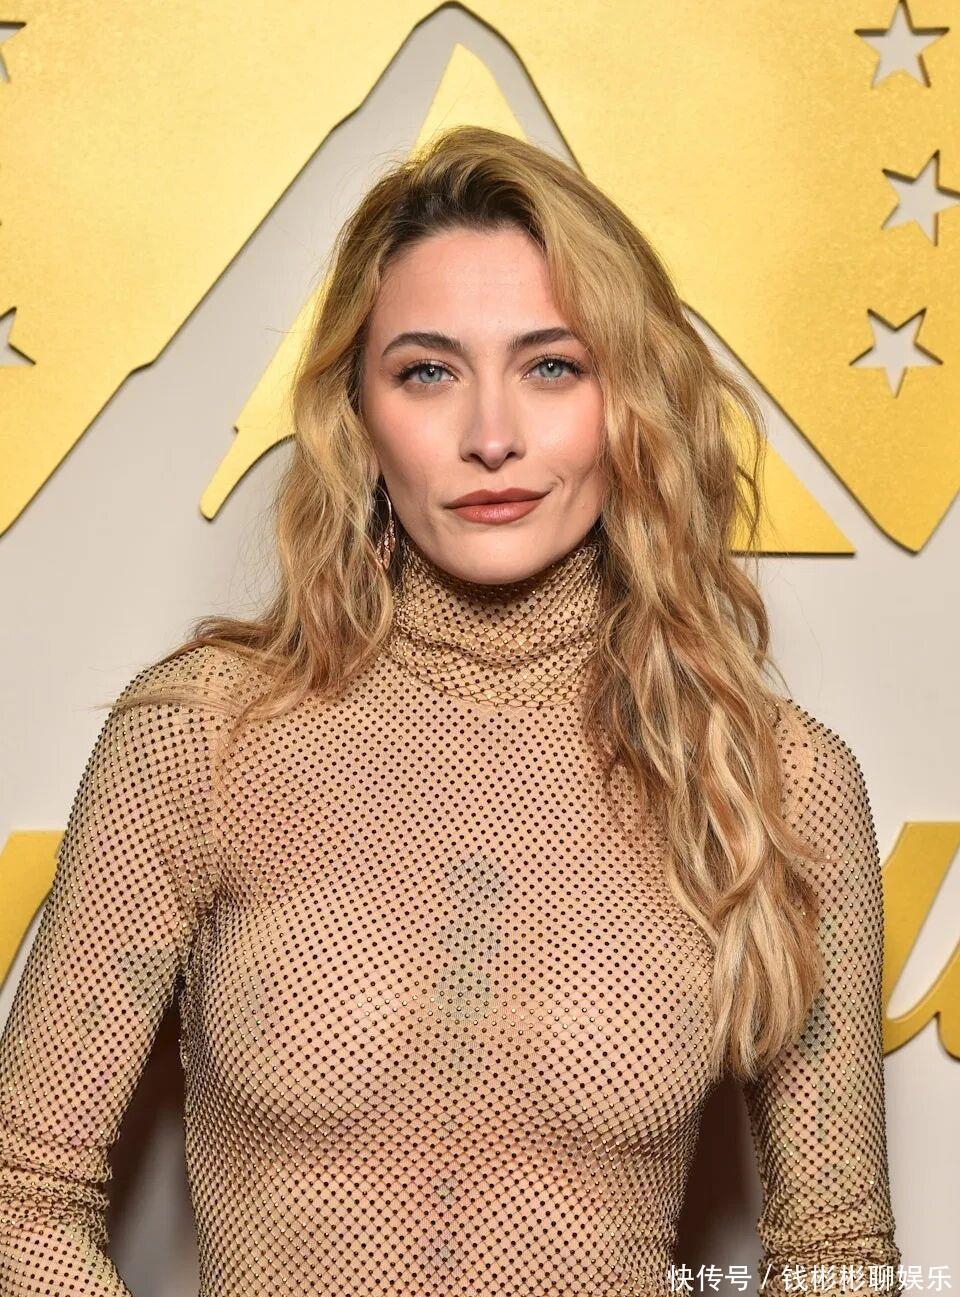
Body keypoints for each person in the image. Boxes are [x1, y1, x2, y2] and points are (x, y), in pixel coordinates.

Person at [0, 125, 902, 1296]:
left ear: (630, 400)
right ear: (358, 415)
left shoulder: (776, 780)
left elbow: (836, 1255)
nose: (491, 437)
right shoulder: (203, 739)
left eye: (552, 366)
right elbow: (20, 1197)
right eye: (428, 371)